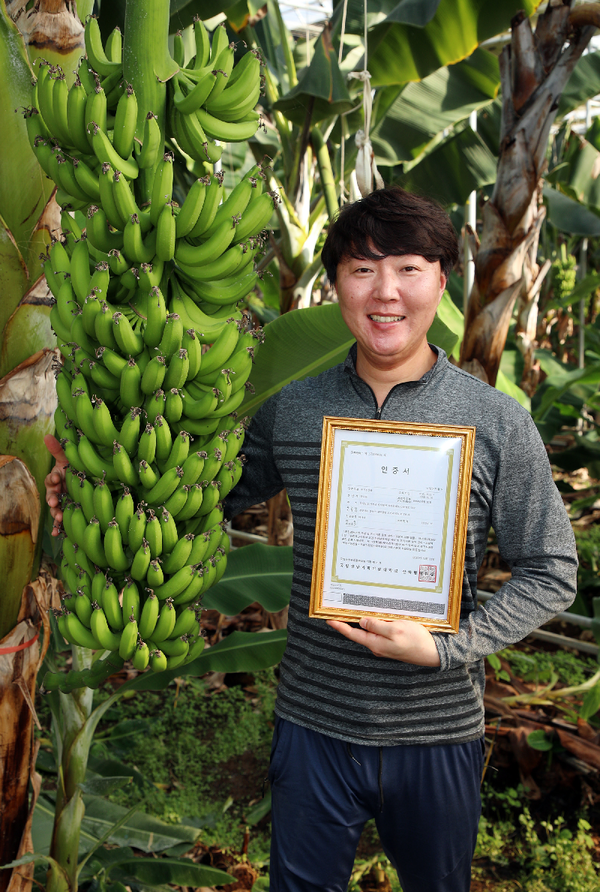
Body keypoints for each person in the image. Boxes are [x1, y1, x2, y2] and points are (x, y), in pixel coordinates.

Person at [46, 187, 578, 892]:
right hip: (313, 726)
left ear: (442, 280)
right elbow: (202, 495)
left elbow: (552, 569)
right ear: (336, 286)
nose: (385, 292)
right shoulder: (293, 409)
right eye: (362, 270)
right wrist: (91, 485)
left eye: (409, 269)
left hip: (437, 731)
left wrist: (451, 647)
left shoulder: (496, 421)